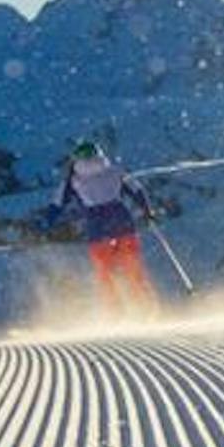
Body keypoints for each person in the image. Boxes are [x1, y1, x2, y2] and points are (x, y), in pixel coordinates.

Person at [44, 135, 164, 315]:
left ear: (76, 159)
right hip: (122, 222)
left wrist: (46, 223)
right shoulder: (116, 171)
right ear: (100, 155)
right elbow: (137, 191)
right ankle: (147, 309)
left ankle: (115, 313)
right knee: (133, 269)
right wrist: (148, 212)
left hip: (97, 228)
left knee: (105, 273)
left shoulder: (73, 180)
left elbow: (57, 204)